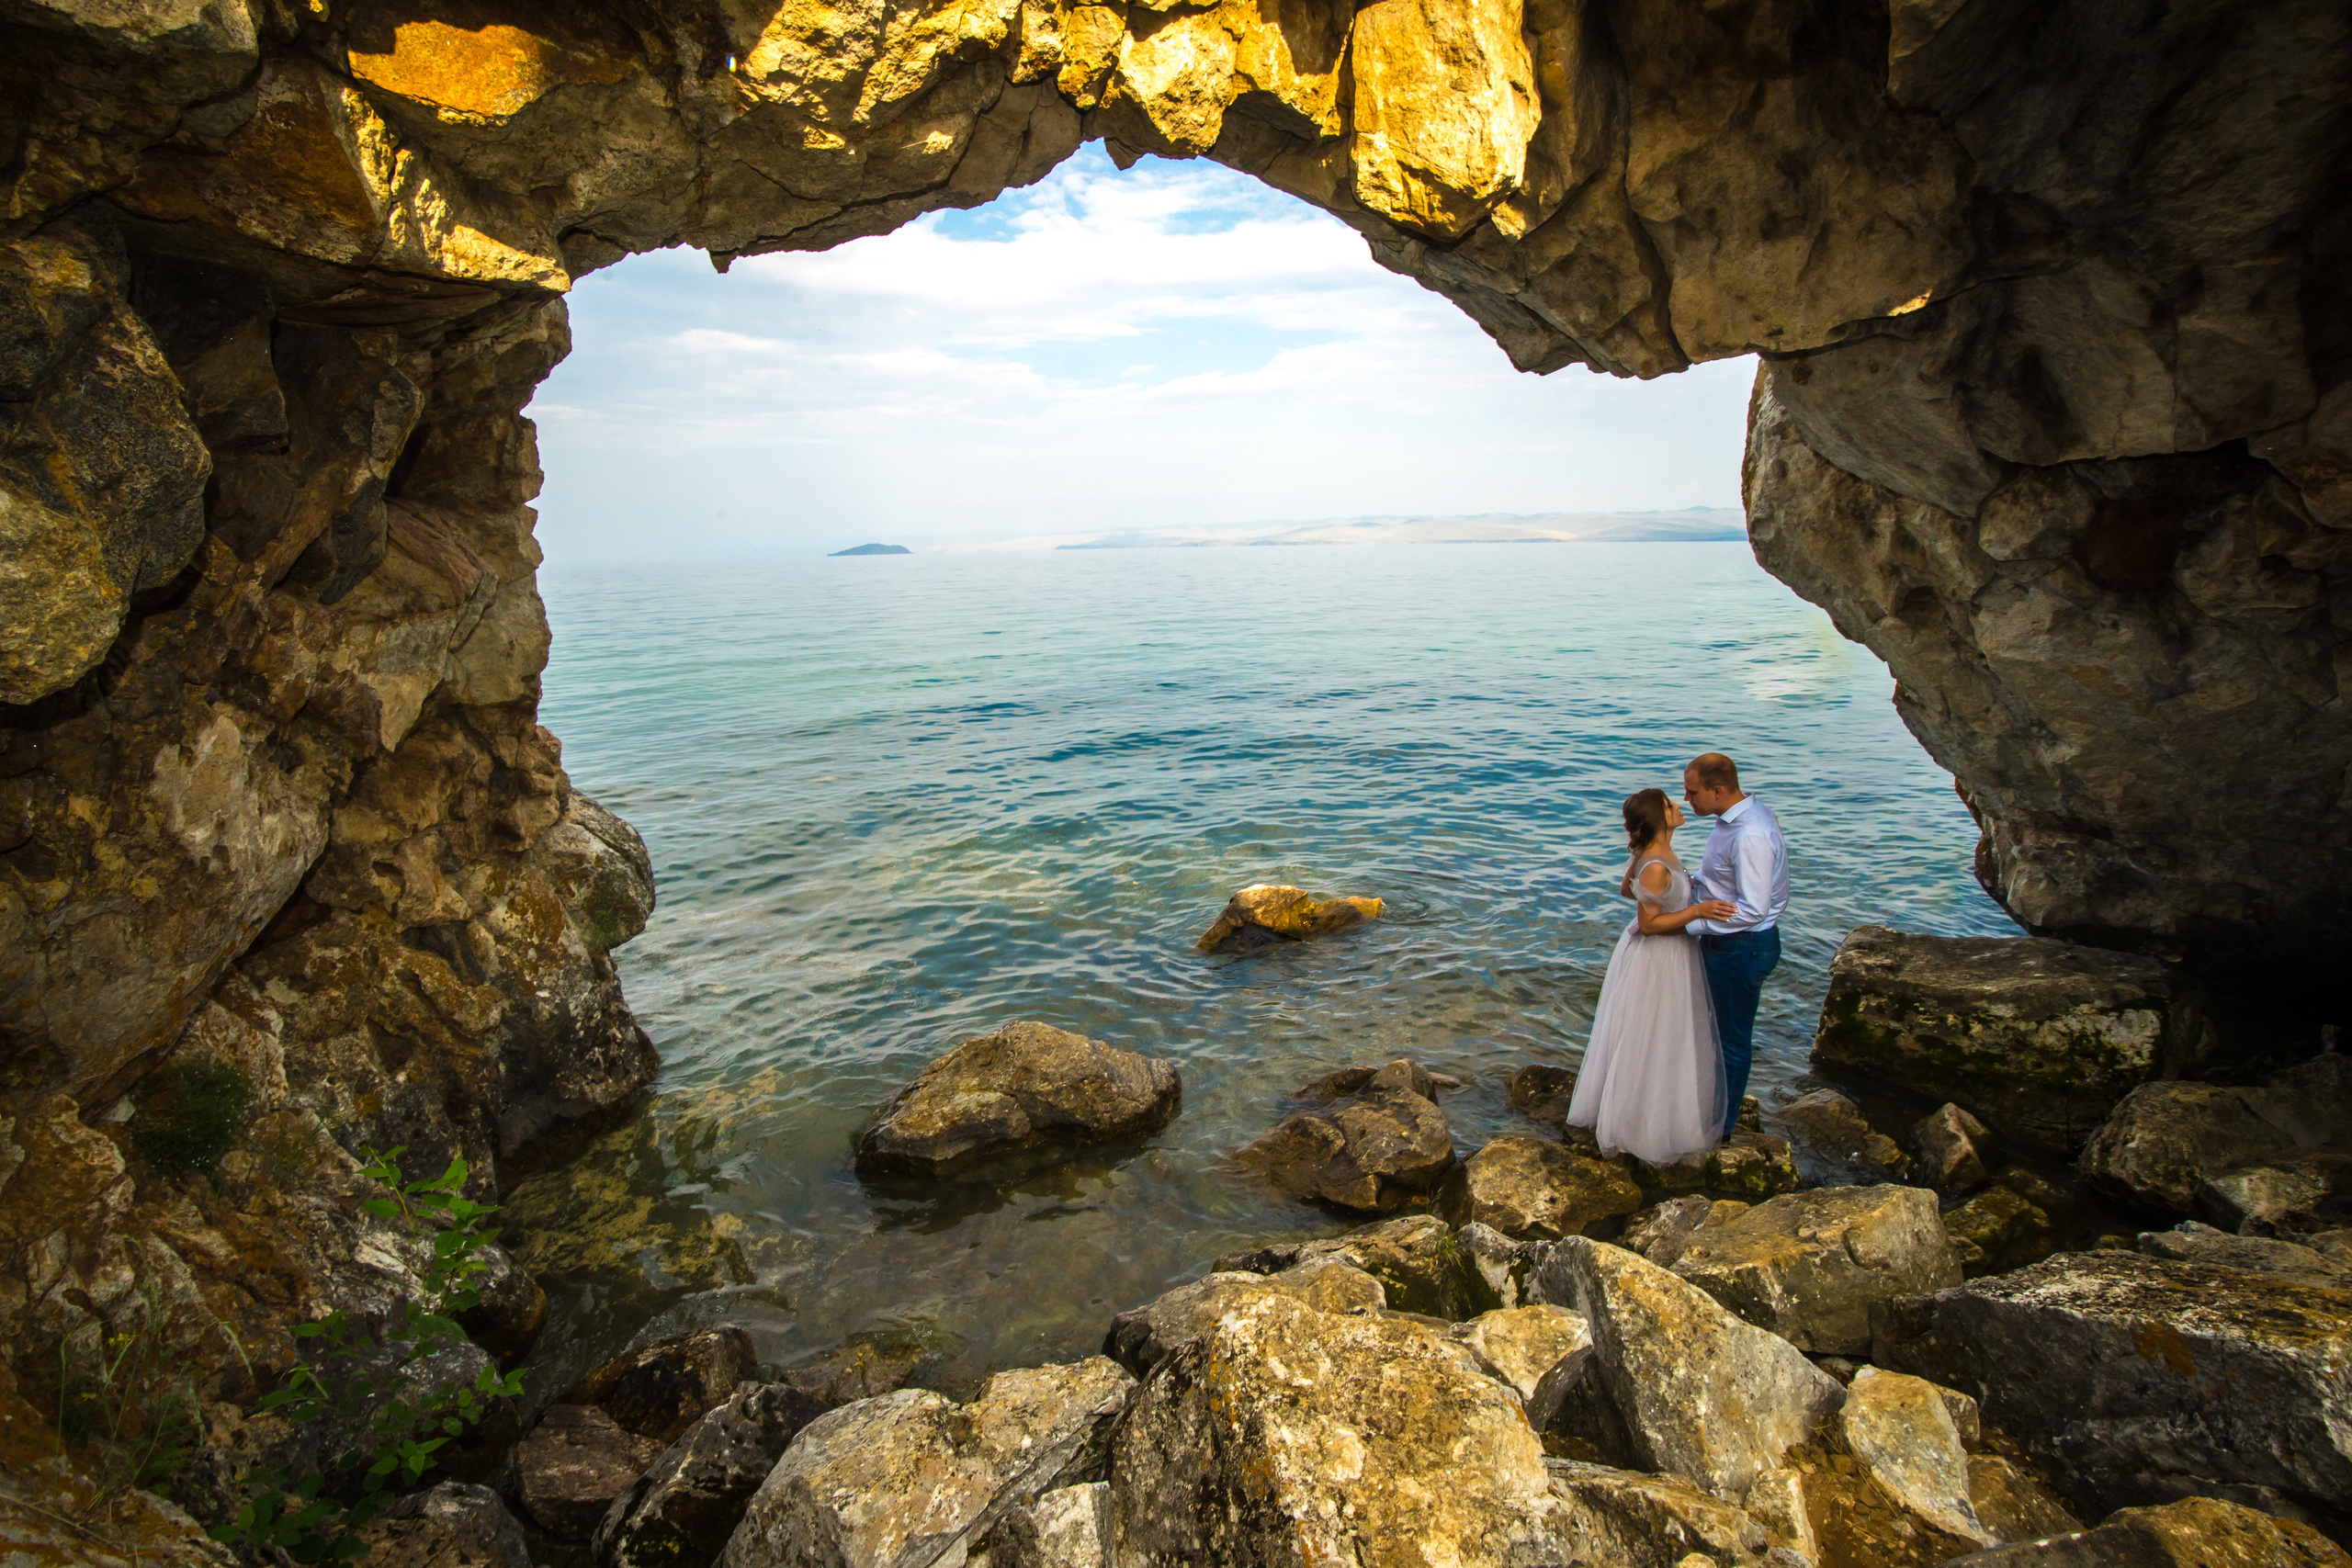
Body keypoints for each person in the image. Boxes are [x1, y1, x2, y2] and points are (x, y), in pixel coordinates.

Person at [1564, 787, 1736, 1165]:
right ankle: (1641, 1126)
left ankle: (1650, 1114)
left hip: (1670, 952)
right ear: (1659, 818)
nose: (1679, 806)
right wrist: (1698, 910)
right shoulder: (1656, 864)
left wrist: (1670, 896)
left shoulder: (1653, 855)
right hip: (1660, 957)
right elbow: (1650, 924)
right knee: (1655, 1035)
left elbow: (1627, 889)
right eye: (1670, 805)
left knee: (1661, 1034)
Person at [1681, 752, 1790, 1137]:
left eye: (1692, 792)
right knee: (1718, 1032)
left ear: (1718, 790)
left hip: (1741, 946)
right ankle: (1712, 1111)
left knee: (1729, 1039)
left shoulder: (1749, 835)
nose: (1686, 800)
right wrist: (1690, 884)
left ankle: (1721, 1128)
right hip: (1736, 943)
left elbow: (1753, 909)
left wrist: (1691, 925)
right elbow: (1722, 878)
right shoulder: (1738, 819)